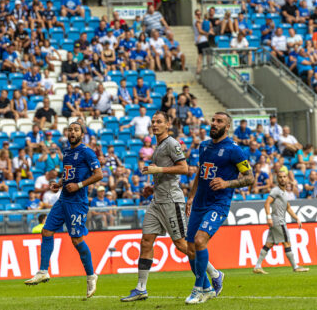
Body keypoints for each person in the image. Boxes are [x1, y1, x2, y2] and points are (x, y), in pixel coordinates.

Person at [121, 111, 220, 302]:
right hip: (157, 200)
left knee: (182, 245)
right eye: (153, 122)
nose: (154, 125)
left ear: (168, 124)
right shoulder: (158, 146)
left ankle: (214, 274)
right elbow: (165, 174)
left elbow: (184, 168)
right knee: (146, 241)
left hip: (171, 201)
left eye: (159, 122)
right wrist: (152, 187)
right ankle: (141, 288)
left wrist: (158, 169)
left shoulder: (172, 143)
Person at [24, 122, 103, 299]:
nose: (72, 132)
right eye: (70, 130)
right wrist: (59, 183)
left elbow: (99, 174)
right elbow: (68, 174)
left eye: (76, 130)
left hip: (77, 202)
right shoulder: (66, 152)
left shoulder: (87, 152)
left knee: (76, 240)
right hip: (63, 199)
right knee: (46, 230)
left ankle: (91, 275)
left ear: (82, 134)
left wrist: (80, 185)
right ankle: (43, 270)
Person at [184, 112, 254, 304]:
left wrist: (226, 183)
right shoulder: (204, 146)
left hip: (218, 204)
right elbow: (200, 171)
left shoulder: (234, 150)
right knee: (190, 249)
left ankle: (198, 288)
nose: (214, 124)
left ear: (227, 126)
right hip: (199, 203)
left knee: (199, 241)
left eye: (219, 121)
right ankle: (212, 279)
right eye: (213, 120)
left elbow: (249, 178)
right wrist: (190, 197)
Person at [253, 171, 309, 274]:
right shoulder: (276, 191)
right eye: (280, 177)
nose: (282, 179)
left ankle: (257, 266)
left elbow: (288, 207)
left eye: (284, 177)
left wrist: (297, 218)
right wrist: (268, 217)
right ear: (277, 179)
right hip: (278, 221)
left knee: (269, 244)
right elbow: (267, 203)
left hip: (276, 221)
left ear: (287, 178)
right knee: (287, 242)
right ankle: (295, 267)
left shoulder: (284, 192)